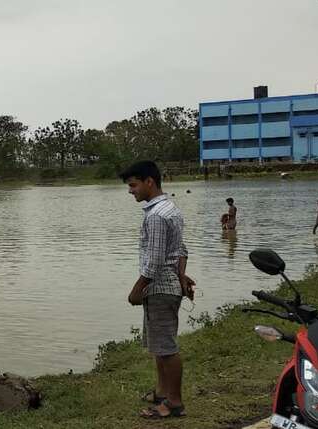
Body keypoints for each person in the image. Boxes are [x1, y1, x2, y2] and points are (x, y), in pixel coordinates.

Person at [118, 160, 196, 419]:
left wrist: (135, 290)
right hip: (165, 286)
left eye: (133, 185)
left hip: (159, 288)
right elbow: (180, 250)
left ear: (149, 182)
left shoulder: (157, 216)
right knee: (159, 347)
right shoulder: (169, 209)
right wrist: (182, 275)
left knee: (166, 349)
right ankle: (162, 392)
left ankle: (174, 403)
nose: (131, 191)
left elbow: (153, 262)